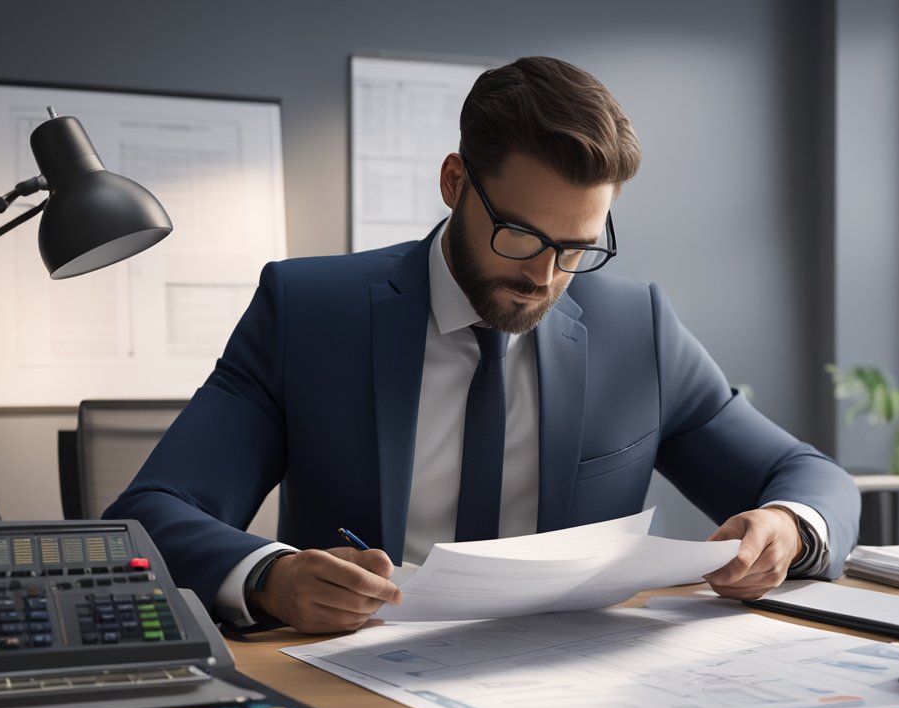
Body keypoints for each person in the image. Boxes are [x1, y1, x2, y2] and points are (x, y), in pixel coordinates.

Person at [105, 56, 860, 635]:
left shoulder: (639, 330)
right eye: (520, 236)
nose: (544, 276)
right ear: (454, 180)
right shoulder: (308, 312)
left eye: (576, 248)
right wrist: (270, 575)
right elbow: (149, 512)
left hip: (576, 694)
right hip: (362, 682)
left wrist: (789, 527)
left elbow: (808, 475)